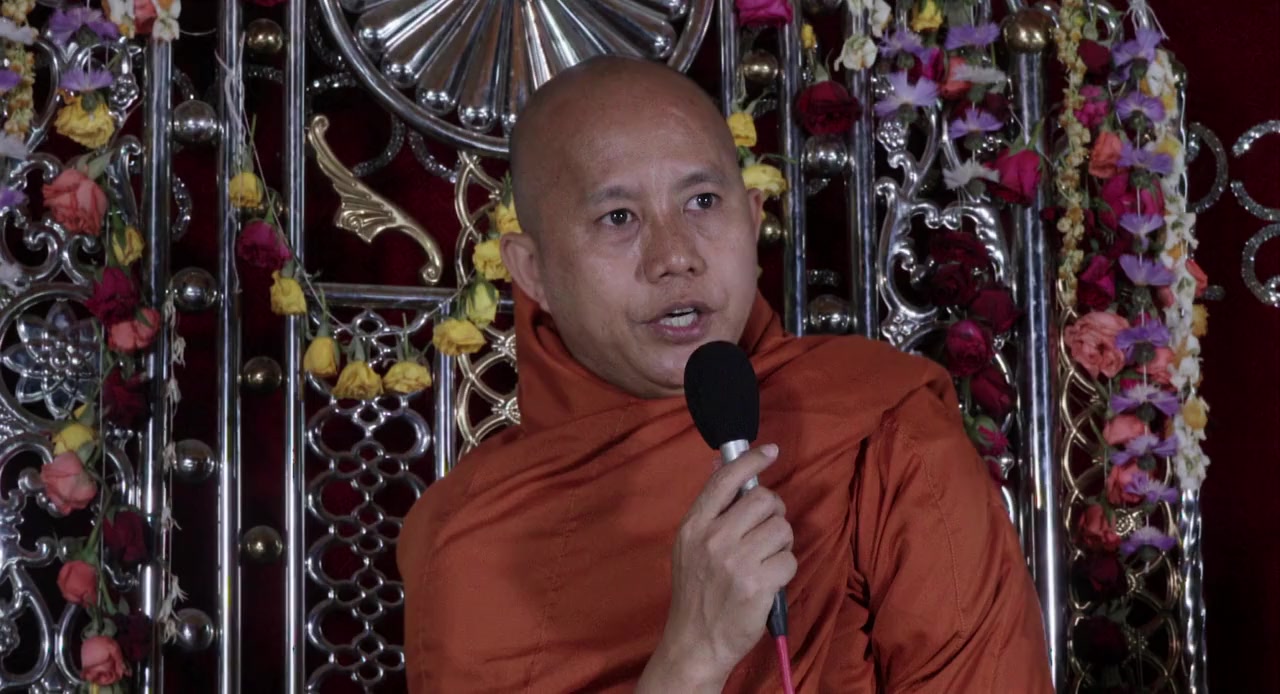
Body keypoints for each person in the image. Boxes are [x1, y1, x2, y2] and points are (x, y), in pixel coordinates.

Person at [397, 56, 1053, 693]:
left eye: (703, 201)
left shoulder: (880, 429)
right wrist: (691, 662)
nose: (675, 256)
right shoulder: (467, 536)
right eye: (618, 217)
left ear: (752, 217)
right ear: (532, 270)